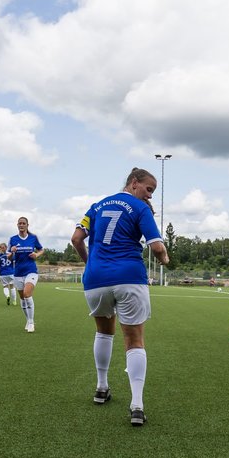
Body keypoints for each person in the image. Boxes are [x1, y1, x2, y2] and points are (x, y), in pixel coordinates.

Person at [70, 168, 170, 426]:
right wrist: (166, 259)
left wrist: (90, 262)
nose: (150, 195)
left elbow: (76, 238)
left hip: (95, 279)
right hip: (129, 277)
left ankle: (101, 388)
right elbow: (157, 246)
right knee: (134, 339)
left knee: (104, 332)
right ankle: (137, 405)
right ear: (134, 183)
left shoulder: (96, 206)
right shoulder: (139, 208)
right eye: (148, 189)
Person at [8, 217, 45, 332]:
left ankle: (31, 322)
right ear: (17, 225)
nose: (21, 225)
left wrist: (36, 255)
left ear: (27, 225)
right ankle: (28, 320)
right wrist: (12, 252)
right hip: (18, 272)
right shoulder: (12, 239)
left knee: (27, 293)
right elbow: (8, 257)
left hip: (31, 271)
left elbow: (41, 249)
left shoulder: (33, 238)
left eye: (24, 223)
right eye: (20, 223)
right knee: (23, 299)